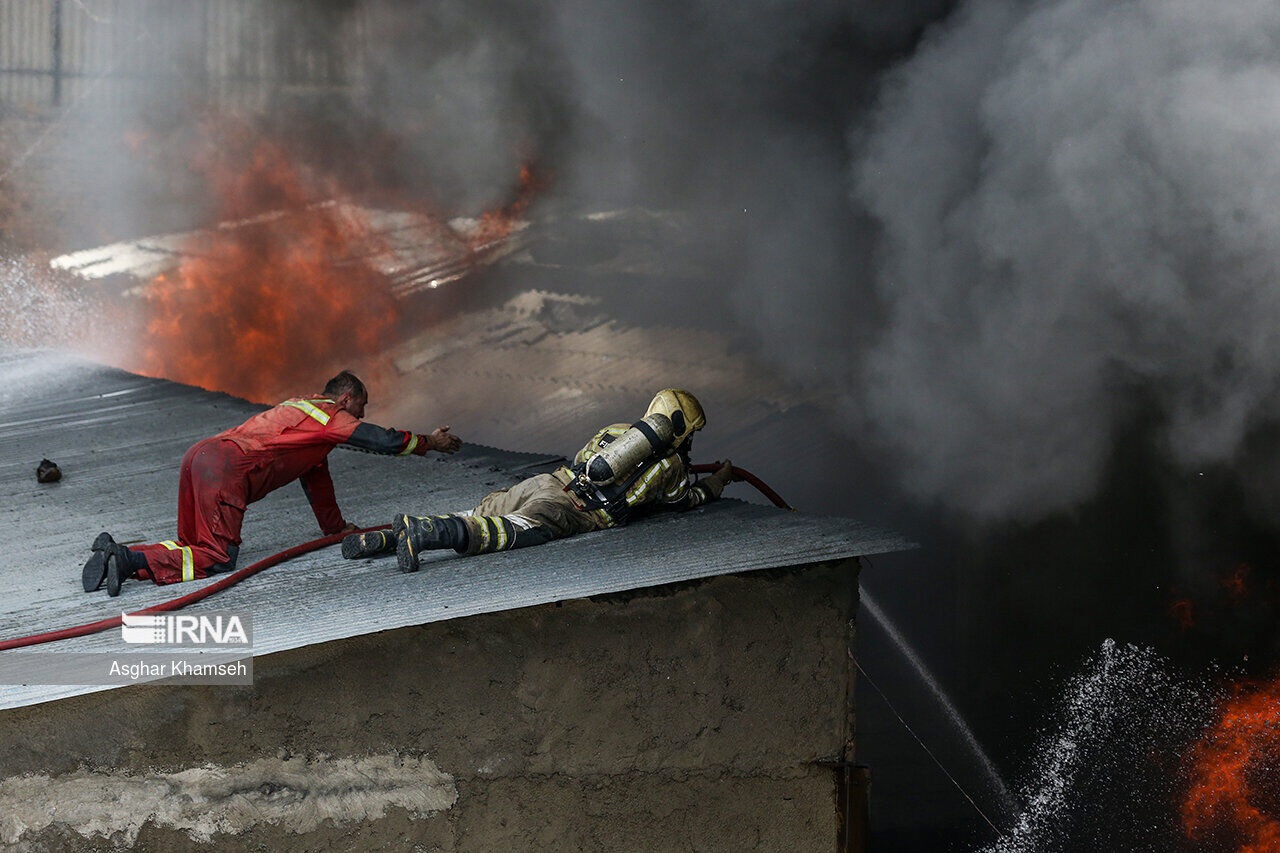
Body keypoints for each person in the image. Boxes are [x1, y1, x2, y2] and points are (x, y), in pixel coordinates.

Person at [83, 370, 462, 596]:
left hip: (199, 456)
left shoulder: (300, 410)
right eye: (361, 408)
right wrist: (429, 442)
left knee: (192, 546)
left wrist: (335, 529)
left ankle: (118, 555)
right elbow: (380, 440)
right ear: (346, 399)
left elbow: (317, 482)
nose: (360, 416)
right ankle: (129, 559)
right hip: (225, 469)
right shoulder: (330, 416)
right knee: (217, 558)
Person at [341, 388, 739, 572]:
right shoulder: (671, 467)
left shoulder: (617, 430)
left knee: (478, 513)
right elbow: (683, 501)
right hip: (573, 510)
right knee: (500, 532)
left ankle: (386, 538)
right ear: (682, 431)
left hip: (547, 482)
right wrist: (720, 479)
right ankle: (425, 533)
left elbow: (583, 459)